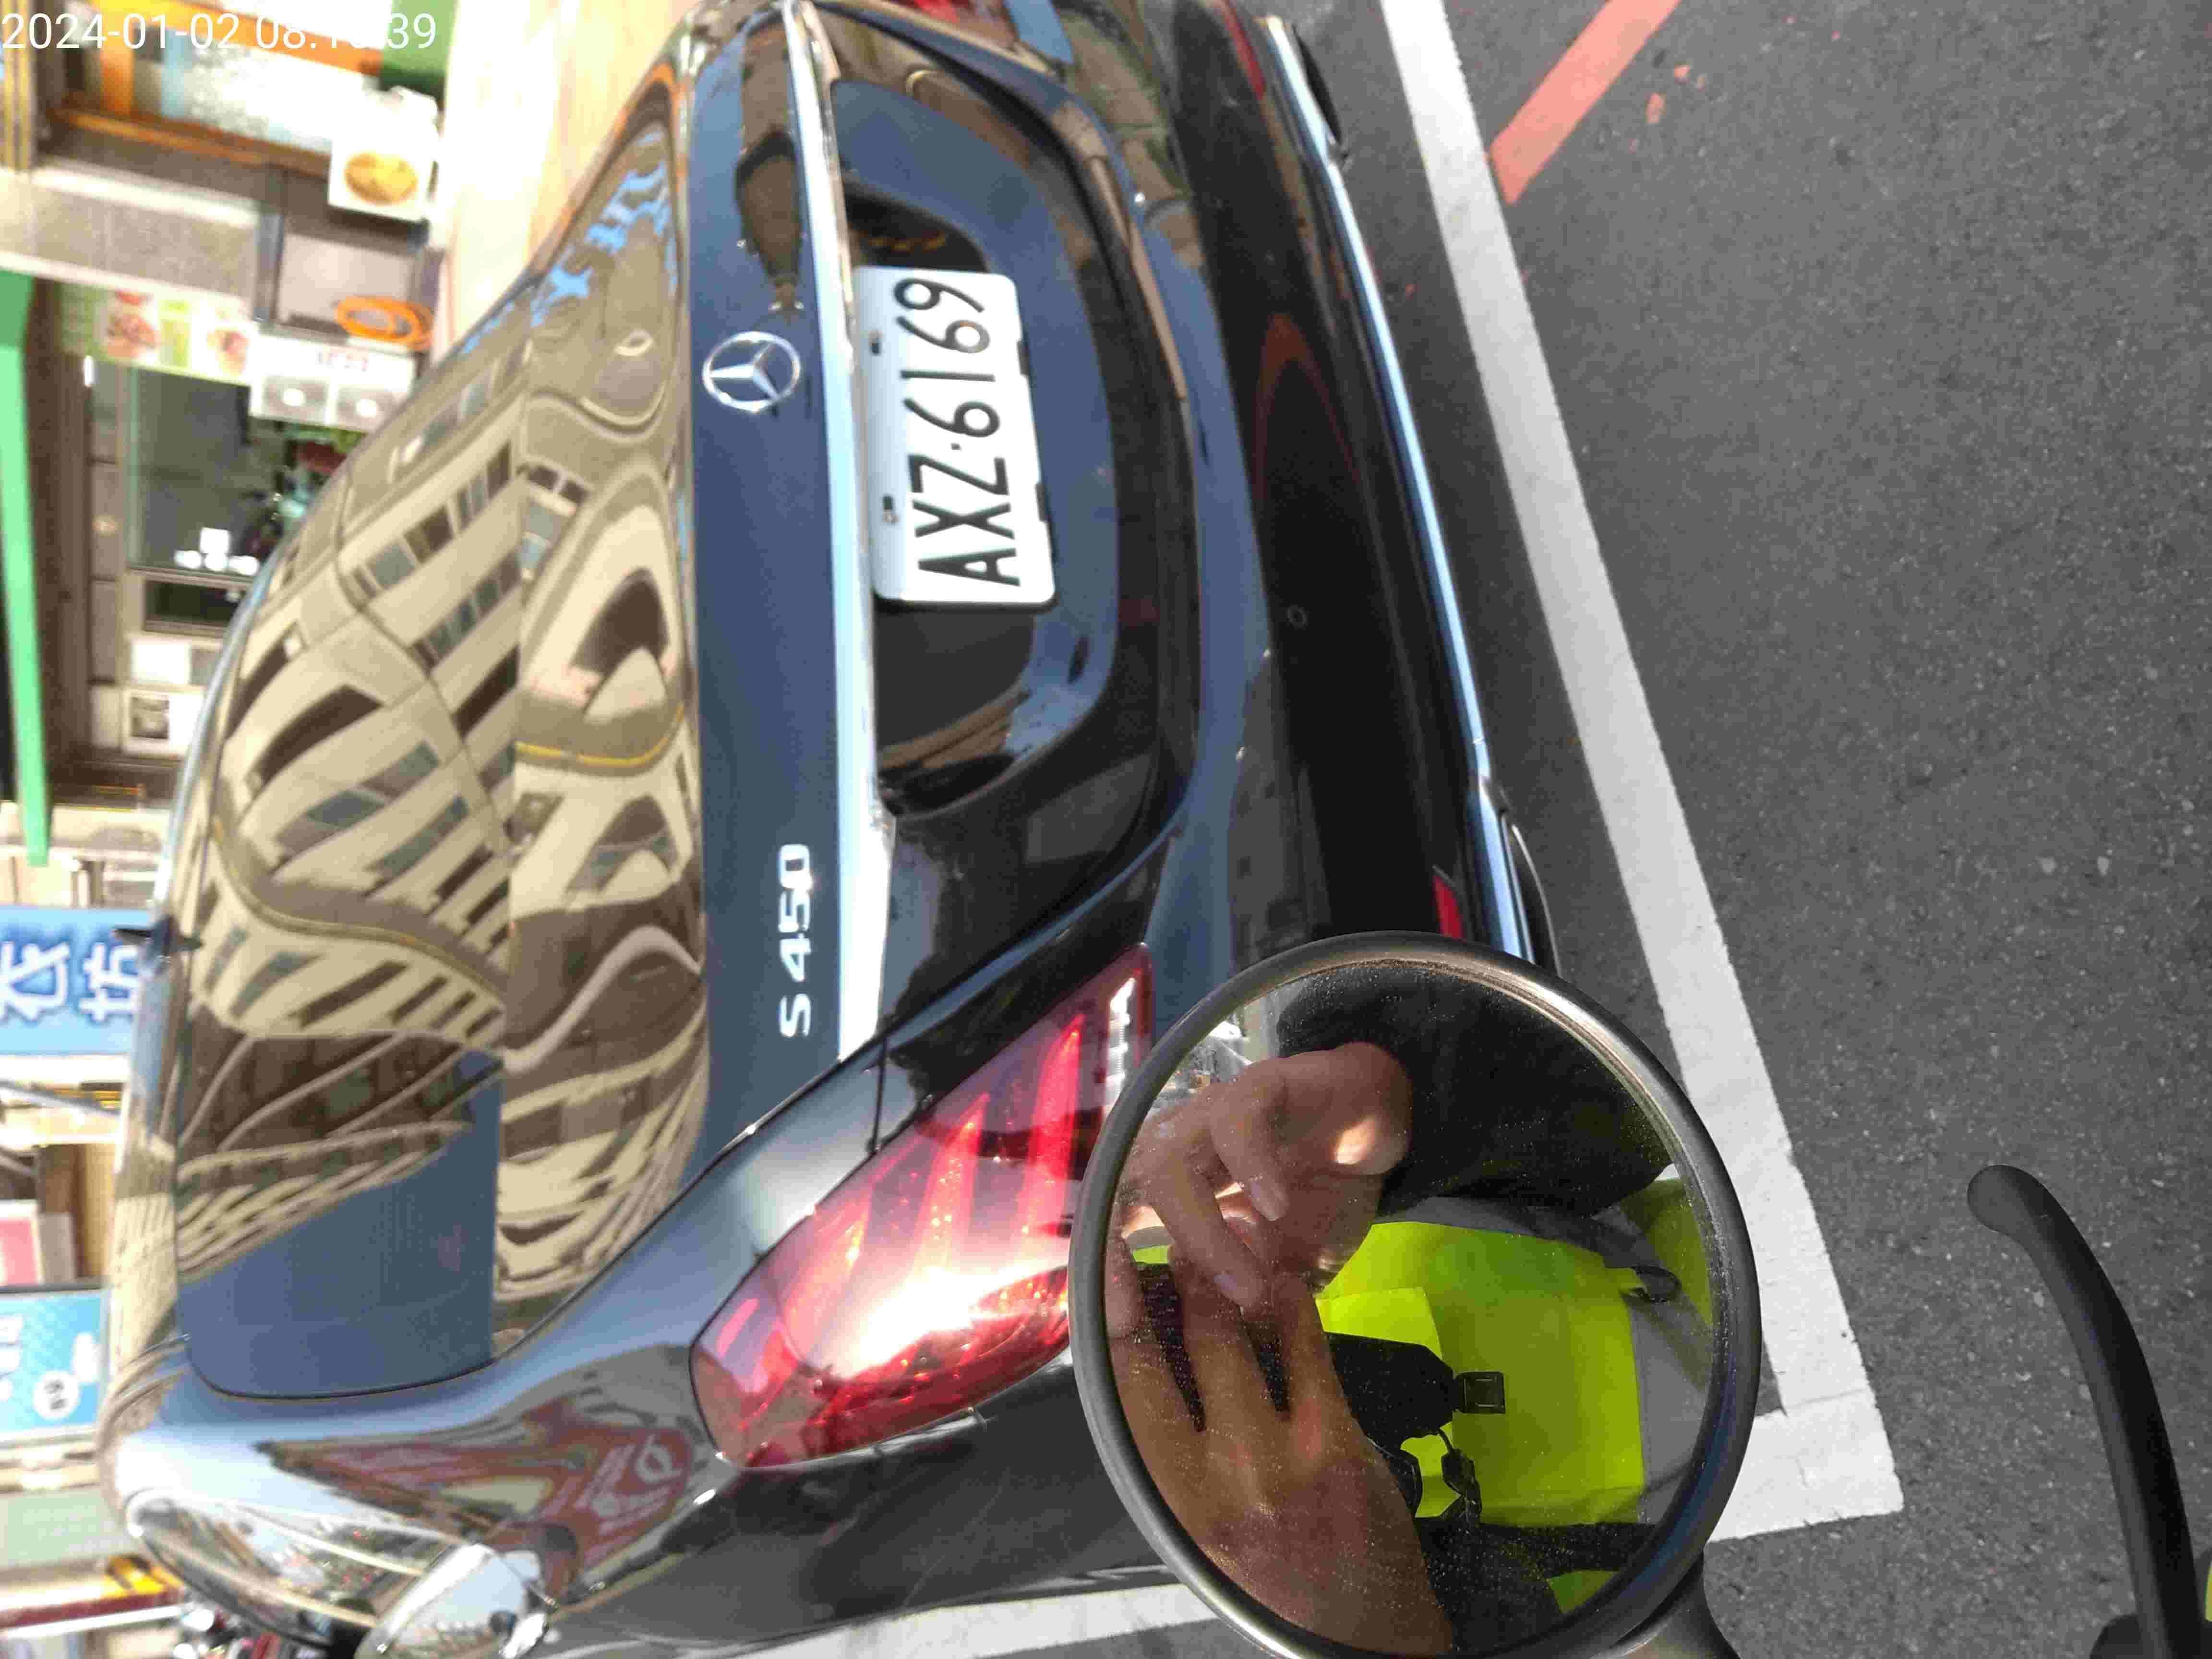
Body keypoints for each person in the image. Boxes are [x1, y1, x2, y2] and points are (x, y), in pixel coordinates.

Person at [1104, 996, 1691, 1652]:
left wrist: (1402, 1086)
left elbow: (1634, 1121)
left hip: (1728, 1253)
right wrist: (1389, 1635)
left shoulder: (1241, 1238)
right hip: (1702, 1488)